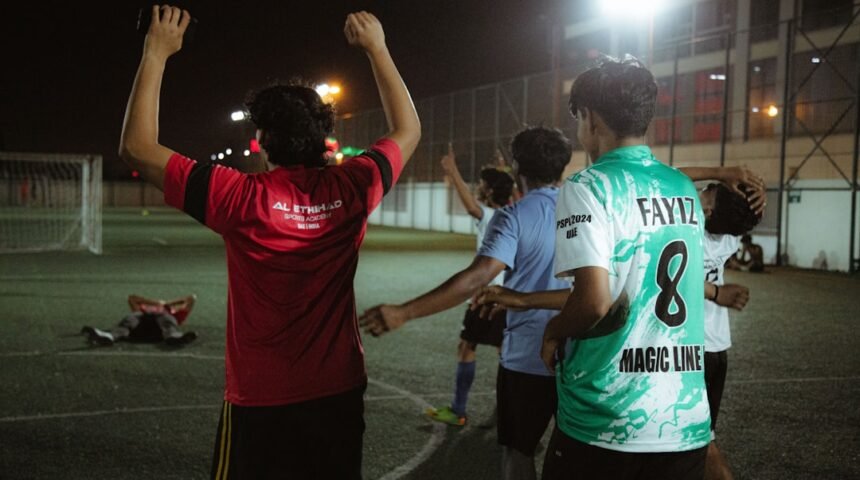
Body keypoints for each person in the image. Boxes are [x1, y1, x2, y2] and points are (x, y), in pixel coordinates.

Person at [119, 6, 420, 479]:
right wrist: (377, 48)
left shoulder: (239, 197)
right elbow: (409, 130)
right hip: (338, 392)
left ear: (263, 140)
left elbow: (136, 147)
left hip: (261, 398)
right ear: (325, 137)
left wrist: (156, 52)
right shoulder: (354, 186)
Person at [361, 125, 572, 480]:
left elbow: (478, 277)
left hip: (528, 360)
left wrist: (405, 311)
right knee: (574, 458)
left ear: (517, 168)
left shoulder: (515, 216)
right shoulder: (589, 211)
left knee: (518, 454)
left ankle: (459, 407)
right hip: (583, 357)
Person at [539, 55, 711, 479]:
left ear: (590, 118)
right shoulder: (683, 187)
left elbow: (595, 302)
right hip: (683, 419)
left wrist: (554, 329)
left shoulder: (588, 187)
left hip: (606, 420)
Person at [422, 145, 515, 426]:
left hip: (485, 296)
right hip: (508, 296)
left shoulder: (491, 216)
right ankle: (509, 413)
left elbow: (471, 206)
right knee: (507, 354)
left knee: (466, 347)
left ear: (488, 192)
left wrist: (452, 171)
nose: (478, 188)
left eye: (483, 185)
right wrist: (503, 169)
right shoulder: (514, 213)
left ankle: (459, 410)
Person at [81, 294, 198, 347]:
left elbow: (192, 298)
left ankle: (173, 337)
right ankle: (110, 336)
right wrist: (157, 303)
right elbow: (132, 297)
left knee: (166, 318)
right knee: (132, 317)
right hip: (139, 329)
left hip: (158, 332)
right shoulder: (142, 310)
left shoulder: (173, 313)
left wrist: (168, 304)